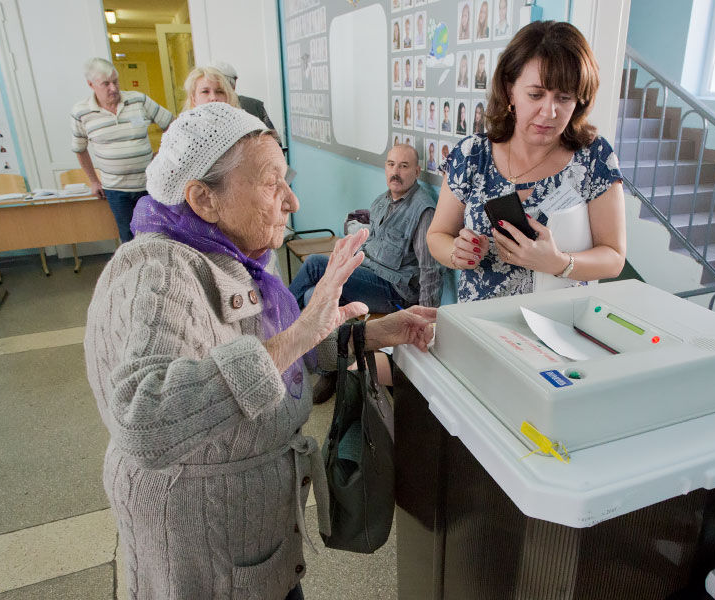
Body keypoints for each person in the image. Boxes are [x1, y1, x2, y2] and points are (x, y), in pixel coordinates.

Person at [84, 103, 436, 600]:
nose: (292, 200)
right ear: (204, 198)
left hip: (251, 538)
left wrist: (374, 334)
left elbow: (272, 352)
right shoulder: (157, 270)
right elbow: (143, 419)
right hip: (204, 552)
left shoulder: (230, 254)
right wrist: (301, 330)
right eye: (273, 184)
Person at [427, 21, 626, 302]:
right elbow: (437, 234)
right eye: (535, 95)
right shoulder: (472, 154)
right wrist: (456, 253)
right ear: (510, 90)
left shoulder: (594, 157)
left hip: (558, 318)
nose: (549, 112)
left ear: (579, 101)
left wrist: (559, 263)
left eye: (564, 98)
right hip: (480, 318)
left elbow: (614, 257)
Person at [289, 143, 443, 314]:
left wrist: (426, 318)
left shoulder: (423, 211)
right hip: (368, 274)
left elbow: (430, 269)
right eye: (391, 164)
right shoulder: (381, 201)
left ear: (417, 172)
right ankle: (294, 324)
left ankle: (279, 320)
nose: (395, 172)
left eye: (404, 166)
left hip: (394, 291)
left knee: (315, 264)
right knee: (310, 296)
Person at [70, 57, 173, 243]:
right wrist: (93, 181)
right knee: (129, 238)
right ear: (91, 85)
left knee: (158, 235)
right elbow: (80, 149)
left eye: (115, 81)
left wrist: (161, 155)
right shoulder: (81, 112)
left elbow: (172, 125)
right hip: (116, 190)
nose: (113, 88)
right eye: (106, 84)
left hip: (149, 185)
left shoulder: (138, 100)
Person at [209, 62, 276, 129]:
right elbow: (272, 134)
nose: (213, 97)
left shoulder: (254, 106)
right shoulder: (255, 105)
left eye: (220, 90)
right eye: (205, 91)